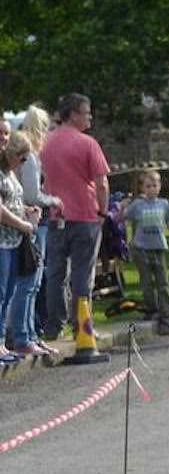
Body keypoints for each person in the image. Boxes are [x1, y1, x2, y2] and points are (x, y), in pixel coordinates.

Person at [40, 93, 110, 342]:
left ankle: (53, 325)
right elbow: (101, 183)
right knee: (83, 274)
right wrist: (103, 211)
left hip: (57, 216)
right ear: (74, 115)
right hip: (85, 215)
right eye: (87, 112)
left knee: (57, 273)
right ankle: (82, 326)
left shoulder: (46, 143)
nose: (90, 116)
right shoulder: (88, 143)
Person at [10, 106, 61, 357]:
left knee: (34, 282)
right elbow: (32, 194)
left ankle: (30, 335)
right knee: (29, 283)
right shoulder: (30, 156)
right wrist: (54, 201)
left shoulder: (28, 154)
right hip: (33, 221)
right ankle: (23, 337)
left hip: (32, 221)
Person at [121, 169, 169, 335]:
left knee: (163, 282)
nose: (152, 189)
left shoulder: (163, 204)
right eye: (148, 186)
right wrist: (123, 208)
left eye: (155, 185)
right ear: (142, 188)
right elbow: (125, 220)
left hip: (158, 247)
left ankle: (167, 313)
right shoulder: (138, 205)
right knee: (146, 282)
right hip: (141, 248)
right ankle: (151, 308)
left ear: (160, 186)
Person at [0, 132, 37, 366]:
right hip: (3, 241)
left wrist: (27, 210)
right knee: (1, 293)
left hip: (14, 241)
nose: (23, 164)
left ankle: (2, 342)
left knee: (9, 293)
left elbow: (12, 204)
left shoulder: (10, 175)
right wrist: (22, 224)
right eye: (22, 159)